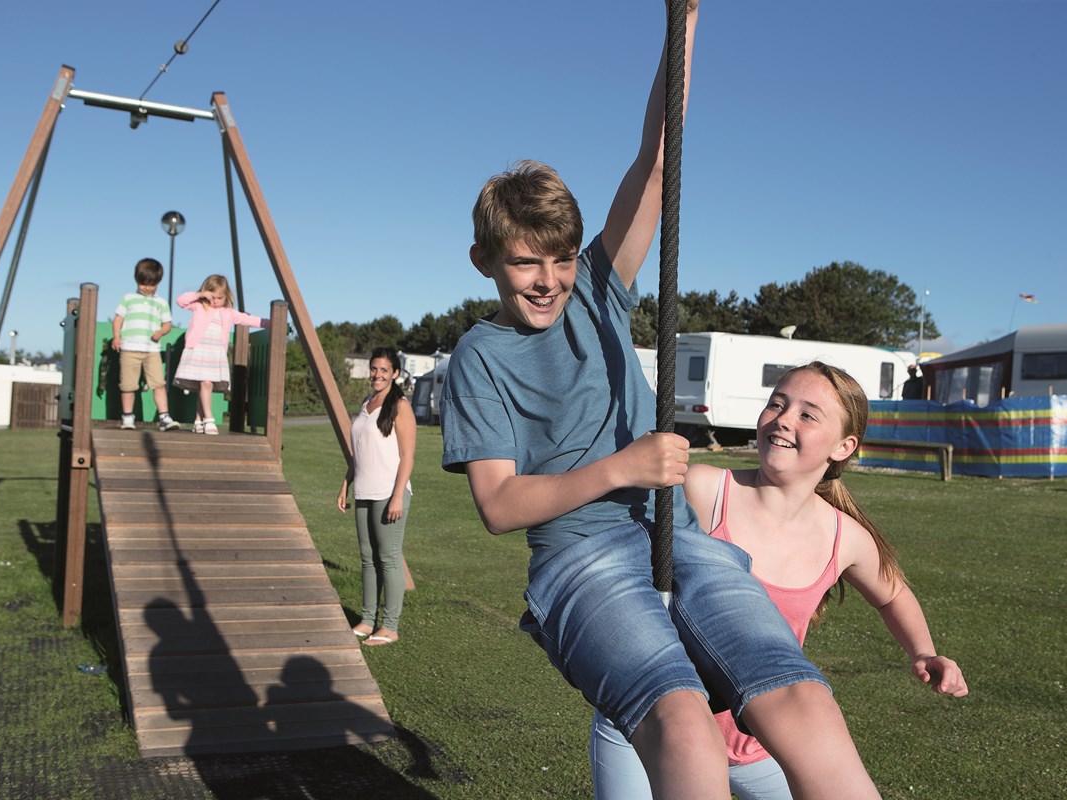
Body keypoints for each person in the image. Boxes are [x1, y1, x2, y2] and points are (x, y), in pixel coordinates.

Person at [439, 4, 880, 798]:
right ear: (484, 261)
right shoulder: (482, 356)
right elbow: (501, 505)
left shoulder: (599, 294)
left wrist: (685, 24)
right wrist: (622, 467)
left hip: (672, 535)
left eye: (564, 258)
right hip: (578, 559)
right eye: (525, 263)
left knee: (800, 696)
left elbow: (656, 160)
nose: (549, 280)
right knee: (682, 724)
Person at [589, 361, 969, 800]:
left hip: (759, 738)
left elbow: (893, 594)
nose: (784, 419)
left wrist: (923, 652)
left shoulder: (844, 538)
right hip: (649, 725)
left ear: (843, 446)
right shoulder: (705, 490)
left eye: (808, 414)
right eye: (777, 403)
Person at [337, 348, 417, 647]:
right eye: (374, 369)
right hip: (364, 492)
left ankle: (390, 626)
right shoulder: (366, 404)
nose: (377, 375)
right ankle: (367, 620)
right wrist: (346, 483)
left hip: (389, 493)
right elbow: (359, 454)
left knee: (388, 558)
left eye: (384, 370)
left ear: (395, 373)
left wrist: (398, 495)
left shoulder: (400, 405)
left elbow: (408, 456)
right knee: (368, 560)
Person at [172, 274, 267, 435]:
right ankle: (209, 419)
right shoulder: (199, 306)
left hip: (214, 353)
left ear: (226, 297)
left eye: (219, 297)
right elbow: (181, 300)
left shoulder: (228, 312)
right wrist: (199, 295)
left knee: (205, 385)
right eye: (212, 296)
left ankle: (198, 420)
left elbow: (247, 319)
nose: (215, 301)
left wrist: (270, 322)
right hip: (198, 350)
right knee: (206, 384)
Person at [111, 257, 179, 432]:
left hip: (152, 350)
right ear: (137, 280)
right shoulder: (128, 298)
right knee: (128, 385)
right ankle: (127, 417)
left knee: (158, 383)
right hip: (129, 349)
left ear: (158, 283)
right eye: (143, 284)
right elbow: (118, 319)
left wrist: (160, 332)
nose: (147, 288)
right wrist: (116, 337)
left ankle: (164, 417)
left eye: (151, 284)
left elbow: (167, 324)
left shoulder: (161, 303)